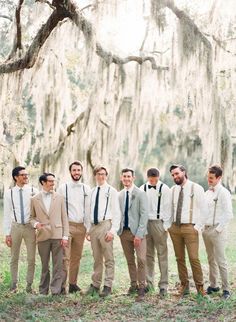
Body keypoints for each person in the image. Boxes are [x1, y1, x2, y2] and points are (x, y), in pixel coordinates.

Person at [168, 164, 206, 296]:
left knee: (194, 258)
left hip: (190, 228)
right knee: (179, 258)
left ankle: (200, 288)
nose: (175, 176)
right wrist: (169, 226)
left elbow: (204, 209)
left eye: (177, 173)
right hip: (175, 228)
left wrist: (197, 227)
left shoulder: (197, 188)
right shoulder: (172, 190)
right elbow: (169, 210)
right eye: (173, 175)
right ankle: (184, 286)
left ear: (184, 172)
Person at [30, 172, 69, 295]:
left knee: (58, 265)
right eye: (51, 181)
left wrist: (65, 236)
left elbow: (64, 218)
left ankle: (56, 290)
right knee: (44, 265)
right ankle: (43, 290)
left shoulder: (60, 197)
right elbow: (31, 217)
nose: (53, 183)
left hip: (57, 235)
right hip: (42, 236)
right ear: (43, 182)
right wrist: (36, 225)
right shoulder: (34, 199)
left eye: (54, 181)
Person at [86, 166, 121, 297]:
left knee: (108, 257)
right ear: (95, 175)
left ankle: (107, 285)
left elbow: (117, 212)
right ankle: (95, 285)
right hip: (94, 227)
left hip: (106, 225)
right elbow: (88, 211)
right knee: (96, 258)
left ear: (106, 176)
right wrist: (88, 229)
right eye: (99, 174)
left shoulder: (112, 191)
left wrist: (112, 230)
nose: (101, 176)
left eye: (103, 174)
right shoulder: (92, 191)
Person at [3, 166, 38, 293]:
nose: (26, 177)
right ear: (16, 177)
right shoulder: (9, 193)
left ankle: (29, 285)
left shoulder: (35, 191)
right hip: (15, 227)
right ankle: (13, 285)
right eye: (23, 175)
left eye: (27, 174)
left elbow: (38, 212)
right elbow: (6, 214)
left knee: (31, 258)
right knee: (14, 258)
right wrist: (7, 234)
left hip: (30, 228)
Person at [58, 161, 91, 294]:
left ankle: (73, 284)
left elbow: (88, 210)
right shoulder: (63, 188)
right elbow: (59, 208)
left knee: (76, 257)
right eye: (74, 170)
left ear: (81, 172)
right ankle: (61, 287)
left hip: (81, 227)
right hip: (68, 226)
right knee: (65, 257)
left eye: (79, 170)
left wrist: (88, 228)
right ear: (70, 172)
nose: (76, 172)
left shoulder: (86, 189)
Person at [202, 164, 233, 300]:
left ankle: (226, 289)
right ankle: (213, 285)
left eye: (211, 178)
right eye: (208, 177)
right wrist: (203, 227)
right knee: (210, 260)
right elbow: (203, 212)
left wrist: (218, 229)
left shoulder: (224, 193)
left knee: (221, 261)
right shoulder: (207, 193)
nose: (209, 180)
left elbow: (229, 214)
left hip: (217, 230)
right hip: (206, 230)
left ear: (219, 177)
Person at [140, 168, 171, 298]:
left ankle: (163, 285)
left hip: (159, 223)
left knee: (162, 254)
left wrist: (165, 226)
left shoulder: (165, 189)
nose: (153, 182)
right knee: (148, 255)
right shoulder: (142, 188)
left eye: (155, 179)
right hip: (146, 223)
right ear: (147, 177)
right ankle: (149, 282)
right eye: (151, 179)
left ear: (159, 176)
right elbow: (140, 208)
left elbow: (168, 208)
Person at [118, 168, 148, 302]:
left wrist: (139, 234)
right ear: (121, 178)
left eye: (129, 176)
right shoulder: (120, 195)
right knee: (130, 261)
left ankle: (142, 287)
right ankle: (133, 285)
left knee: (141, 259)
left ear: (133, 178)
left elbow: (144, 215)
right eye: (124, 176)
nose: (126, 179)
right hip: (124, 233)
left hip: (137, 233)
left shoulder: (140, 194)